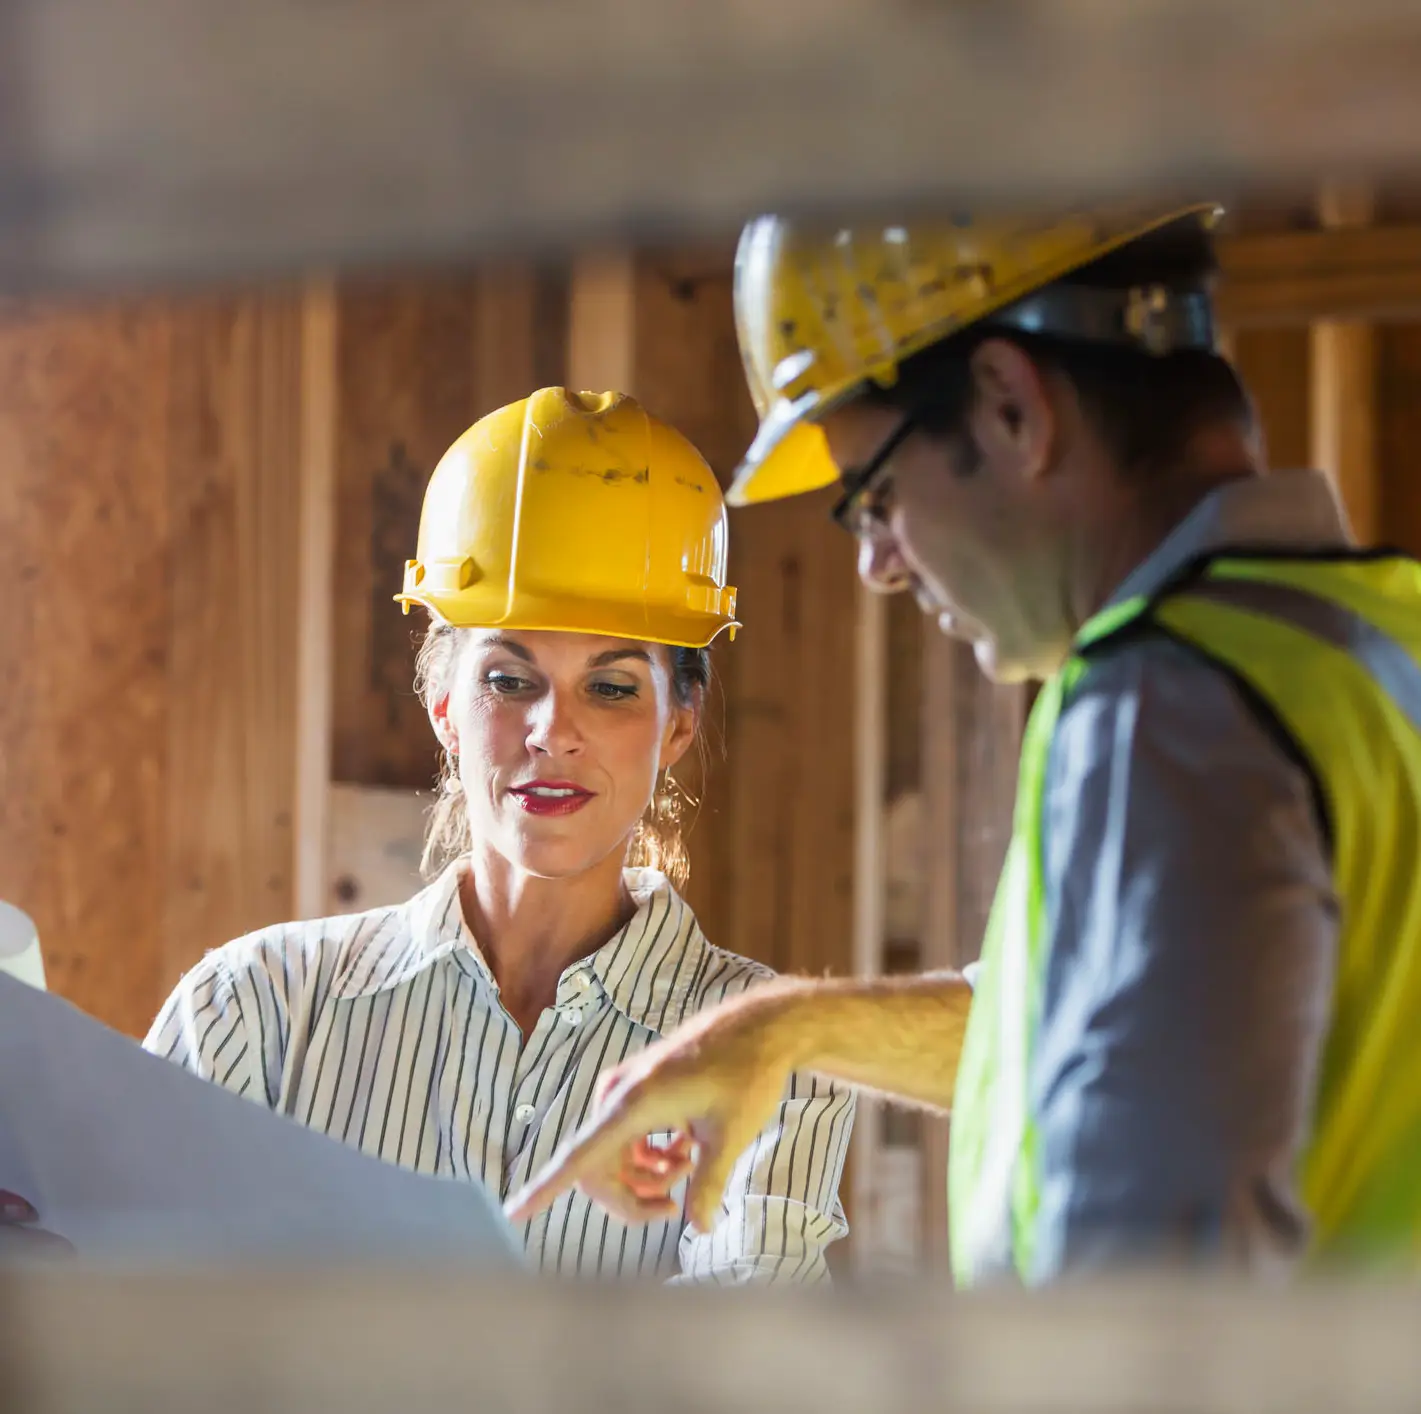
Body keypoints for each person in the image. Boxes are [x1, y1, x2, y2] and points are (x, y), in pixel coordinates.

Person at [508, 204, 1421, 1284]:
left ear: (1007, 406)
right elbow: (1120, 1026)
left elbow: (1140, 1301)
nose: (877, 566)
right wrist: (784, 1029)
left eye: (874, 495)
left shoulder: (1161, 709)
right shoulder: (1371, 641)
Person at [145, 388, 853, 1284]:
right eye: (511, 679)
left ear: (678, 726)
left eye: (611, 687)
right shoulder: (250, 1015)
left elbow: (748, 1369)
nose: (553, 731)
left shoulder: (770, 1054)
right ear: (444, 706)